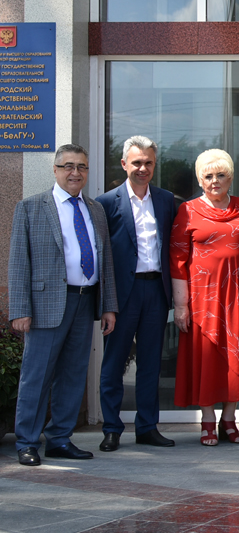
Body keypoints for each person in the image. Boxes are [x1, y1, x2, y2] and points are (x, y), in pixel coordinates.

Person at [9, 144, 117, 466]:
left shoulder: (95, 209)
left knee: (73, 374)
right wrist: (20, 309)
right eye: (68, 166)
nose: (75, 172)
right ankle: (27, 442)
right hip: (46, 304)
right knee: (36, 376)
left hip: (85, 301)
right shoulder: (30, 208)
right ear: (55, 170)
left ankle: (59, 439)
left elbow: (106, 260)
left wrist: (108, 305)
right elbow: (18, 262)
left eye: (81, 166)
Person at [171, 149, 239, 446]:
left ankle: (230, 420)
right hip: (203, 301)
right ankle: (208, 420)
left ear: (231, 177)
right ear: (200, 179)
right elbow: (177, 259)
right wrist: (181, 305)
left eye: (221, 175)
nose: (215, 181)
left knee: (235, 357)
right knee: (207, 359)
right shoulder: (188, 210)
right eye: (208, 176)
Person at [96, 136, 176, 452]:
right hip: (121, 294)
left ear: (155, 165)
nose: (143, 168)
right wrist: (107, 302)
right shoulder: (105, 203)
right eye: (137, 162)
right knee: (114, 363)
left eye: (148, 163)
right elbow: (102, 255)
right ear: (124, 164)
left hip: (156, 290)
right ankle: (111, 429)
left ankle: (147, 427)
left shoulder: (166, 200)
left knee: (151, 363)